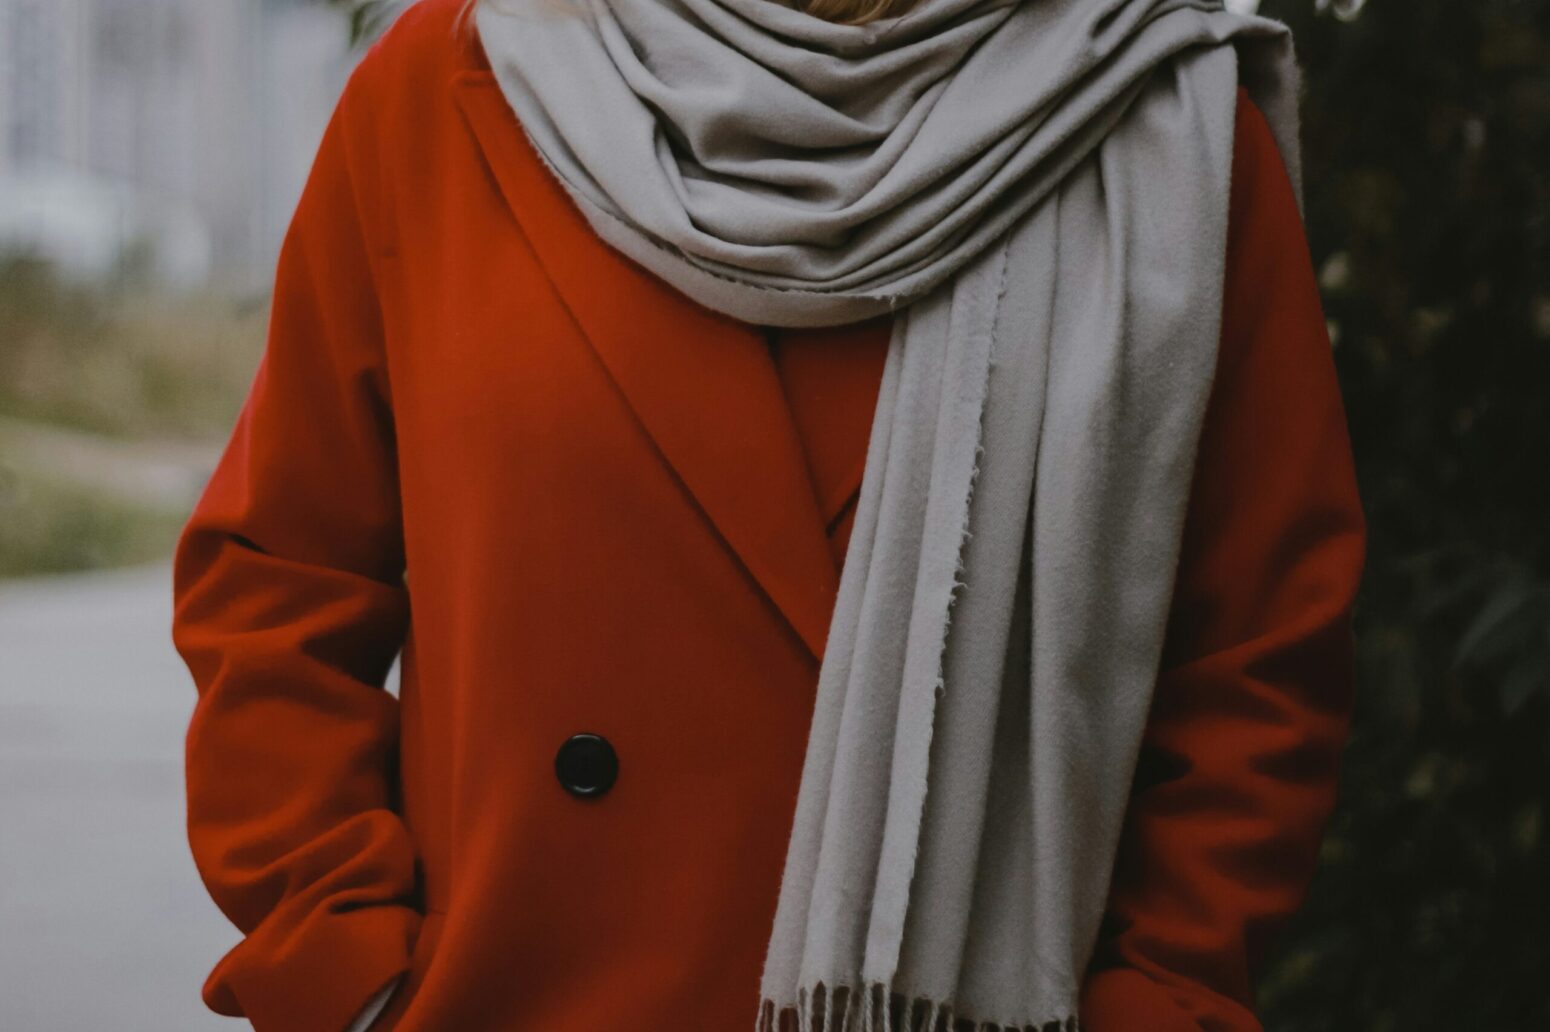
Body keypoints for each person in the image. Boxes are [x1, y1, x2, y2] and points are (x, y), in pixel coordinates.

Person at [169, 0, 1366, 1030]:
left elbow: (1255, 654)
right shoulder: (449, 82)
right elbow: (279, 576)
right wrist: (347, 971)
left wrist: (1156, 1002)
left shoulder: (1152, 127)